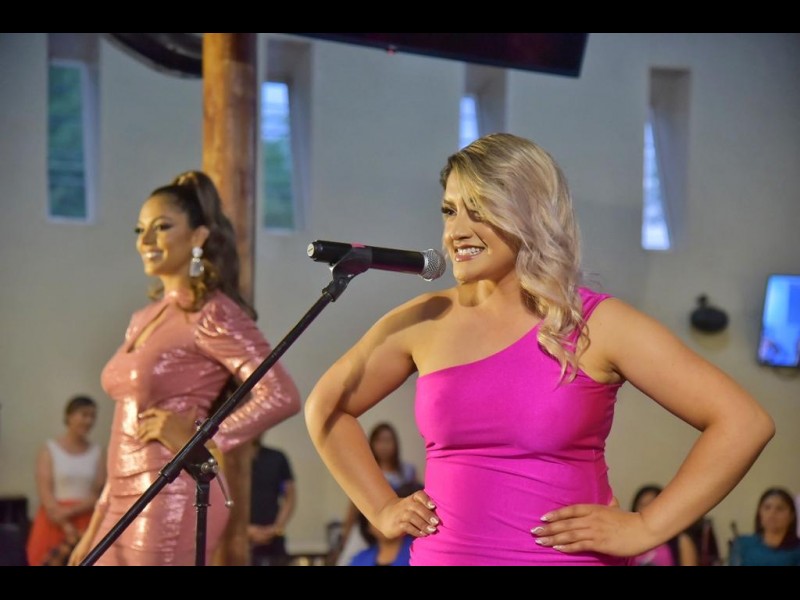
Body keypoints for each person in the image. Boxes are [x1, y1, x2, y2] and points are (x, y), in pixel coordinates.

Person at [304, 132, 775, 566]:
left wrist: (648, 526)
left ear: (529, 213)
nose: (456, 231)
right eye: (450, 211)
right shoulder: (427, 319)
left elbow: (743, 422)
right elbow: (326, 407)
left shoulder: (596, 323)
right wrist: (381, 509)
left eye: (479, 210)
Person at [67, 170, 301, 566]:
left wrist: (198, 437)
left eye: (161, 227)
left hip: (170, 496)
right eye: (140, 229)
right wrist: (93, 529)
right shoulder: (142, 319)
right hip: (118, 500)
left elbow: (281, 394)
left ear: (198, 237)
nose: (145, 240)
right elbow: (123, 435)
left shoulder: (212, 312)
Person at [26, 395, 106, 566]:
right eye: (84, 415)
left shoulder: (98, 452)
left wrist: (69, 512)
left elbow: (97, 494)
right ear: (69, 416)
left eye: (92, 416)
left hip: (86, 521)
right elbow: (46, 495)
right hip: (53, 522)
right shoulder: (49, 449)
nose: (89, 421)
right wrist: (66, 525)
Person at [333, 422, 420, 566]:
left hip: (401, 530)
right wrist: (345, 533)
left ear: (395, 444)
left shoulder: (407, 471)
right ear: (372, 444)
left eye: (388, 440)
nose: (384, 446)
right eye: (379, 441)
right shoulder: (366, 473)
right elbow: (354, 506)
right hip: (372, 524)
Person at [248, 437, 296, 566]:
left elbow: (290, 496)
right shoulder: (228, 460)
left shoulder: (277, 458)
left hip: (273, 539)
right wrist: (246, 530)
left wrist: (277, 527)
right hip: (239, 541)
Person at [348, 482, 422, 567]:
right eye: (375, 518)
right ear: (367, 527)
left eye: (387, 513)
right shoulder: (359, 560)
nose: (383, 521)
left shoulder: (418, 550)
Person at [728, 487, 800, 566]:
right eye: (767, 508)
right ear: (759, 513)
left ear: (792, 516)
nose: (772, 513)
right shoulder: (742, 544)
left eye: (780, 508)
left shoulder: (796, 549)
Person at [629, 485, 698, 566]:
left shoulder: (681, 540)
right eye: (643, 505)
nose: (647, 509)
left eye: (652, 503)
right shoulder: (629, 540)